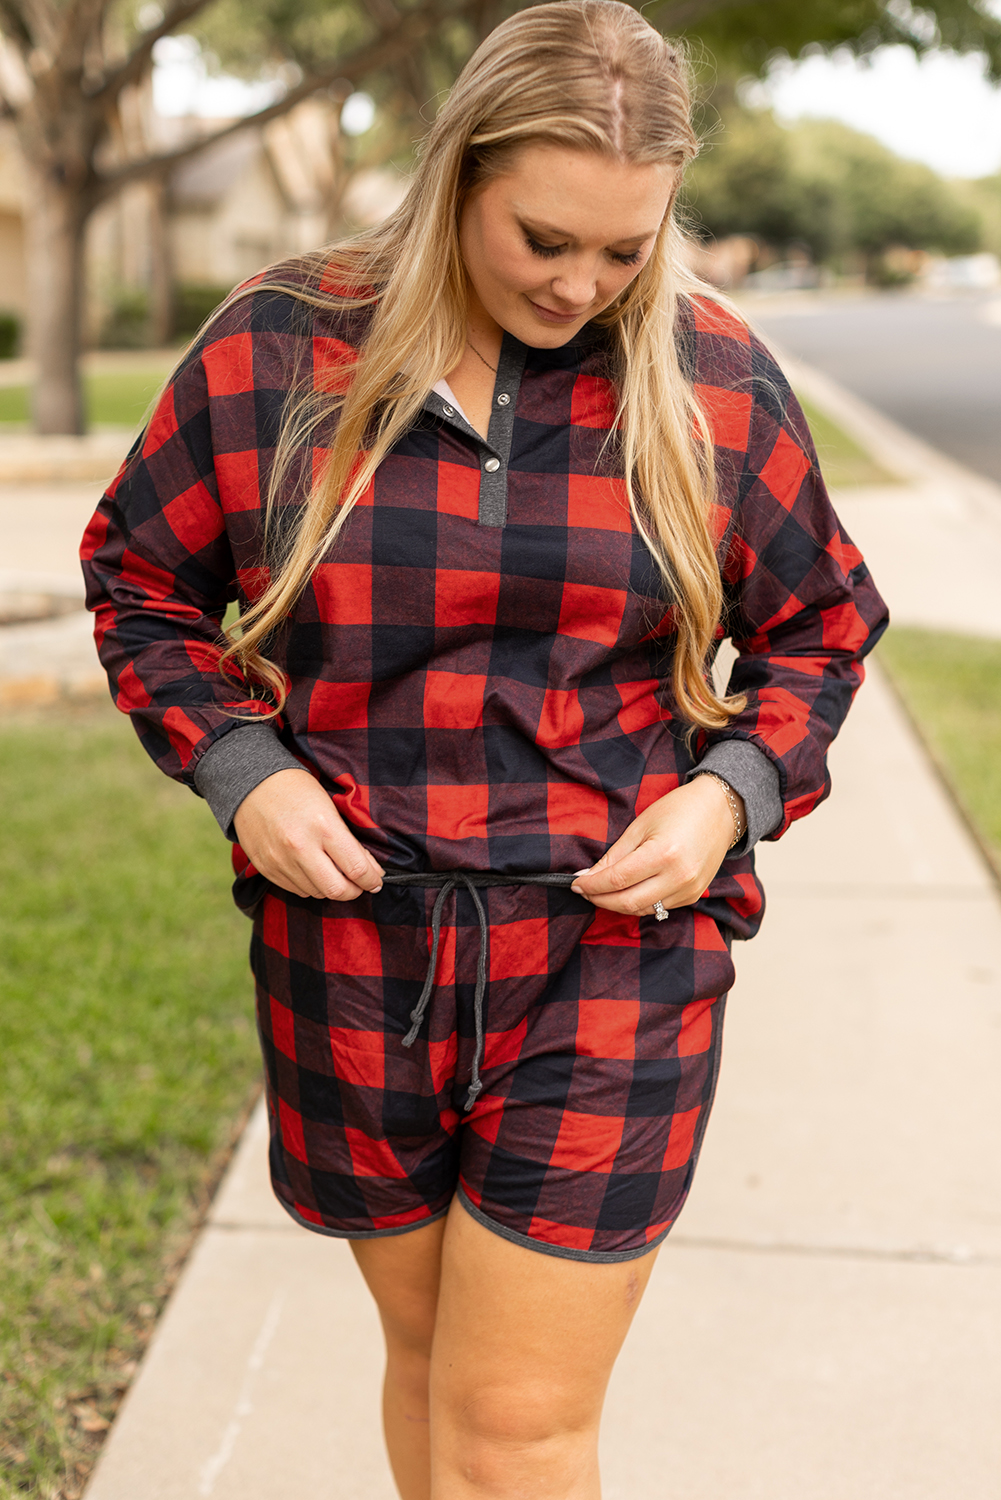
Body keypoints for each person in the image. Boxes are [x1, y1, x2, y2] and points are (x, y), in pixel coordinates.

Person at [81, 3, 888, 1495]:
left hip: (607, 959)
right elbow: (139, 579)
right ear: (455, 175)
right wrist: (242, 771)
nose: (583, 285)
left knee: (516, 1429)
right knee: (437, 1373)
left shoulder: (708, 379)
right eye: (543, 240)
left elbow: (822, 629)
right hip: (352, 953)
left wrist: (727, 795)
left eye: (624, 250)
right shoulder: (281, 347)